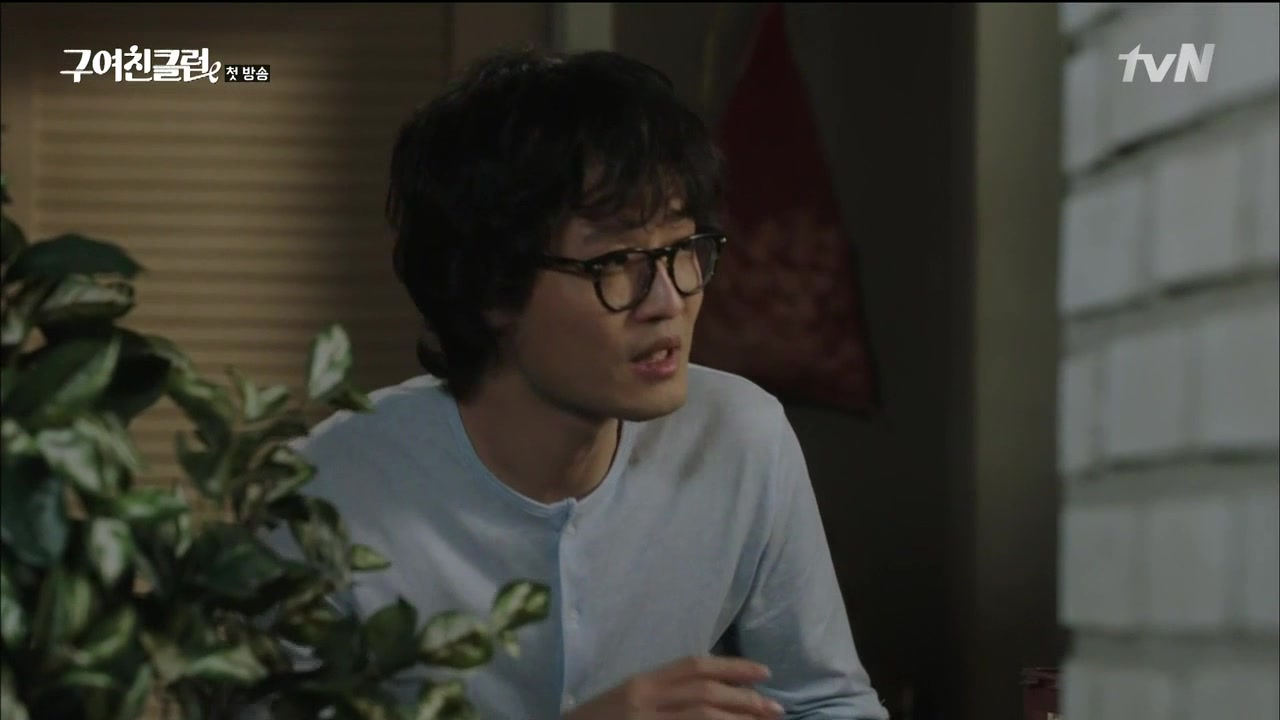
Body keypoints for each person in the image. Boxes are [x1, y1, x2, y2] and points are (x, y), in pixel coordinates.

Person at [290, 47, 890, 720]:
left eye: (681, 249)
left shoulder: (739, 436)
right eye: (616, 261)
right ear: (489, 286)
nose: (668, 300)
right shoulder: (329, 487)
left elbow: (827, 702)